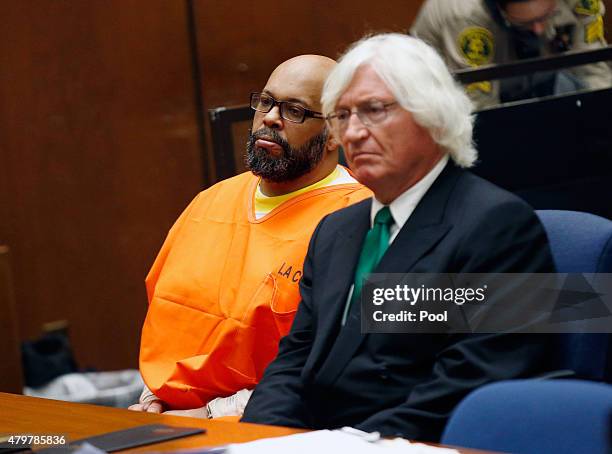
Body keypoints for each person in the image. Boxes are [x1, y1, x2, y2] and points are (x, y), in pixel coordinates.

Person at [241, 34, 557, 441]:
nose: (353, 133)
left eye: (373, 112)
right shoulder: (336, 231)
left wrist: (343, 446)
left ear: (433, 117)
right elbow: (293, 363)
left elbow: (470, 383)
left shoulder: (499, 226)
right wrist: (259, 440)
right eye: (342, 115)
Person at [129, 55, 371, 418]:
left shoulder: (360, 219)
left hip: (275, 425)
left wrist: (210, 413)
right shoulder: (210, 202)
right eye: (267, 102)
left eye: (295, 111)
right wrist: (154, 400)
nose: (270, 118)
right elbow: (165, 326)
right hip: (169, 418)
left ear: (336, 132)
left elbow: (339, 374)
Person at [411, 0, 612, 108]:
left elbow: (593, 64)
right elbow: (480, 102)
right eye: (526, 22)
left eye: (545, 16)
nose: (539, 29)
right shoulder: (462, 14)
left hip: (539, 71)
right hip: (454, 88)